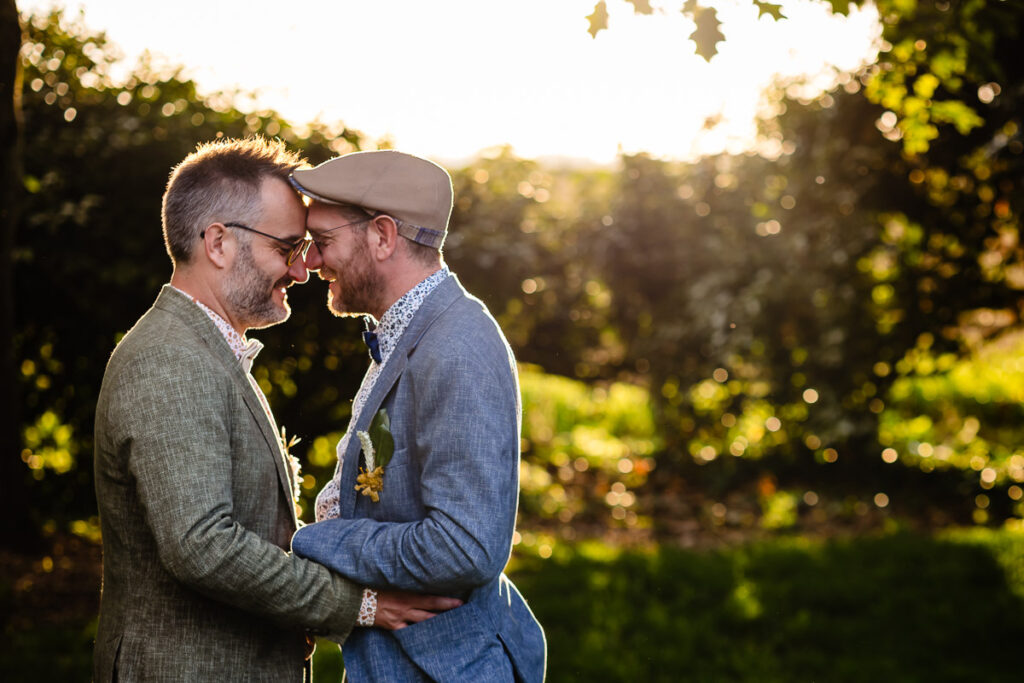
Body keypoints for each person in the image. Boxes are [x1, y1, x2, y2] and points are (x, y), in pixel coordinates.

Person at [92, 137, 458, 682]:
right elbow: (203, 546)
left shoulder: (204, 348)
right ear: (218, 243)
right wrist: (359, 603)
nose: (302, 269)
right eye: (286, 247)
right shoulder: (168, 359)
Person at [289, 150, 547, 682]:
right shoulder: (412, 332)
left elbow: (464, 547)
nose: (310, 262)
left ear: (383, 236)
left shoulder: (457, 349)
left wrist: (315, 540)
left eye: (323, 241)